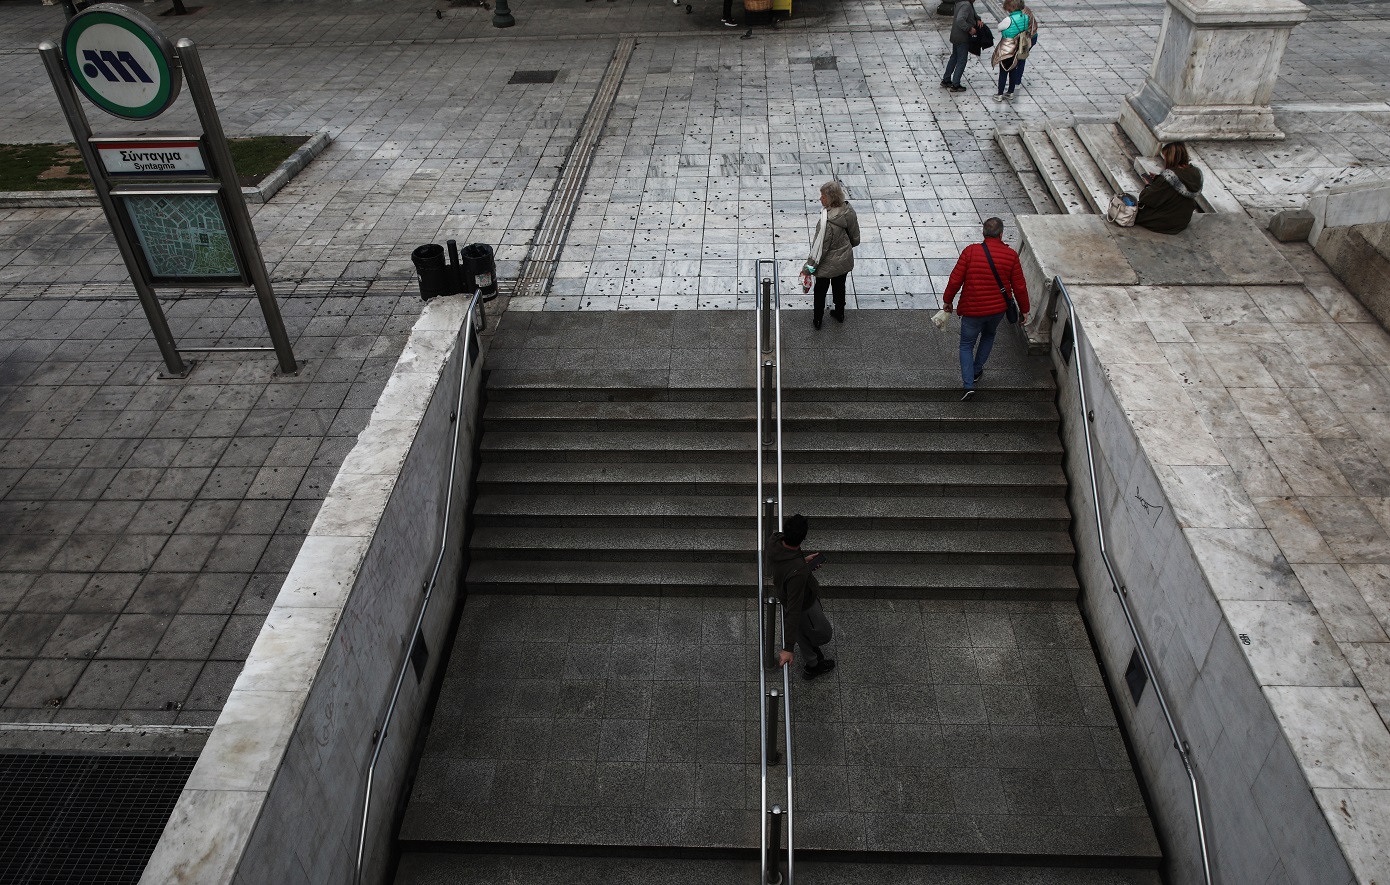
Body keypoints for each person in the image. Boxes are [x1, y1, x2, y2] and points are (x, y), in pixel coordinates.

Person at [942, 217, 1030, 401]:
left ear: (983, 233)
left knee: (966, 344)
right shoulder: (1011, 256)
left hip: (972, 309)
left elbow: (955, 279)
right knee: (989, 336)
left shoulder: (970, 252)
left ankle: (968, 385)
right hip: (997, 310)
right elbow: (1020, 286)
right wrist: (1025, 310)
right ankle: (976, 371)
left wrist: (947, 301)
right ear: (1001, 234)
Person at [766, 514, 836, 679]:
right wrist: (788, 648)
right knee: (821, 632)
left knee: (799, 630)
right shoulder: (797, 573)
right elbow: (795, 609)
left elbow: (787, 566)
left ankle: (812, 662)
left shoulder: (775, 541)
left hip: (786, 592)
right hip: (804, 603)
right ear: (803, 538)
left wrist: (803, 563)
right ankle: (813, 664)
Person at [803, 181, 860, 330]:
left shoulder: (826, 223)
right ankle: (839, 313)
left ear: (831, 198)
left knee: (820, 291)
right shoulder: (848, 209)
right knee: (839, 287)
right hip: (844, 260)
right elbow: (855, 236)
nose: (820, 199)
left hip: (826, 264)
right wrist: (846, 249)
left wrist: (807, 269)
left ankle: (817, 319)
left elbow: (819, 250)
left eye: (823, 196)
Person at [1135, 142, 1203, 234]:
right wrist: (1159, 179)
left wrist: (1149, 185)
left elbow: (1146, 198)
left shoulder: (1167, 178)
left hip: (1165, 223)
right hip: (1182, 221)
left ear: (1171, 158)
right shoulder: (1195, 173)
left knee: (1133, 212)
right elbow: (1176, 185)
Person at [990, 0, 1035, 101]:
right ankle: (1010, 92)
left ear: (1011, 7)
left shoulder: (1008, 19)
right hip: (1018, 47)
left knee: (1004, 70)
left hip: (1007, 47)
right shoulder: (1026, 17)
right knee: (1013, 69)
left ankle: (1000, 94)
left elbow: (999, 27)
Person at [940, 0, 979, 93]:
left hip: (955, 35)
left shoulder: (961, 2)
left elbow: (972, 14)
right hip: (962, 37)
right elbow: (960, 19)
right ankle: (955, 84)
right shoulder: (966, 5)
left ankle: (946, 79)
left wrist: (978, 19)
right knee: (961, 60)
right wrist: (969, 28)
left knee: (954, 57)